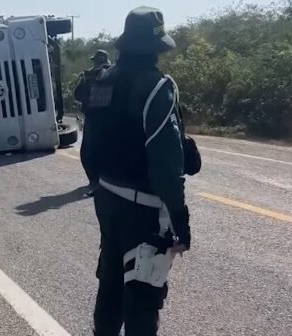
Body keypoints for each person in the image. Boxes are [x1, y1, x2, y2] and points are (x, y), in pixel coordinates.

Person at [86, 6, 200, 336]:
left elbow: (88, 150)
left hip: (107, 198)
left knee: (110, 284)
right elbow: (167, 165)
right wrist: (181, 221)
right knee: (143, 294)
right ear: (156, 48)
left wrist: (100, 186)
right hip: (145, 208)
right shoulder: (156, 87)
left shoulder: (102, 81)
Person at [74, 49, 111, 197]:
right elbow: (78, 95)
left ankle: (97, 182)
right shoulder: (112, 73)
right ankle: (99, 181)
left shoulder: (104, 74)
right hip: (103, 117)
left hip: (97, 118)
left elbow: (78, 95)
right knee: (96, 151)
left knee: (90, 152)